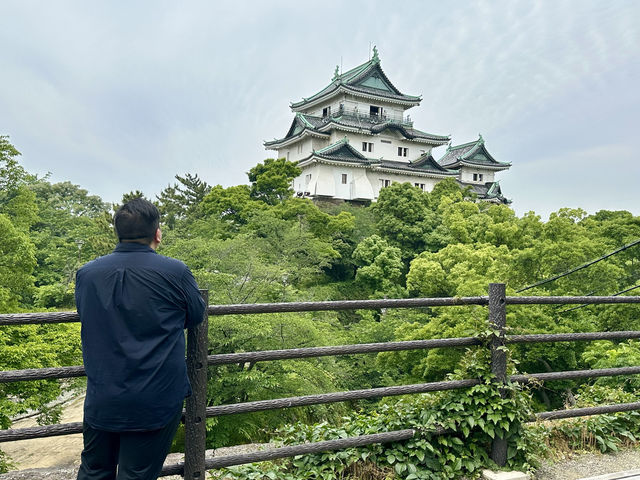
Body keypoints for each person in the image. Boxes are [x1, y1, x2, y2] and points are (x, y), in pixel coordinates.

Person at [75, 198, 206, 480]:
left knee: (94, 471)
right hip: (156, 396)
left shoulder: (86, 274)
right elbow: (196, 315)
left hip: (103, 394)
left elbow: (88, 314)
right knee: (137, 474)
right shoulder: (175, 272)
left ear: (117, 232)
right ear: (157, 232)